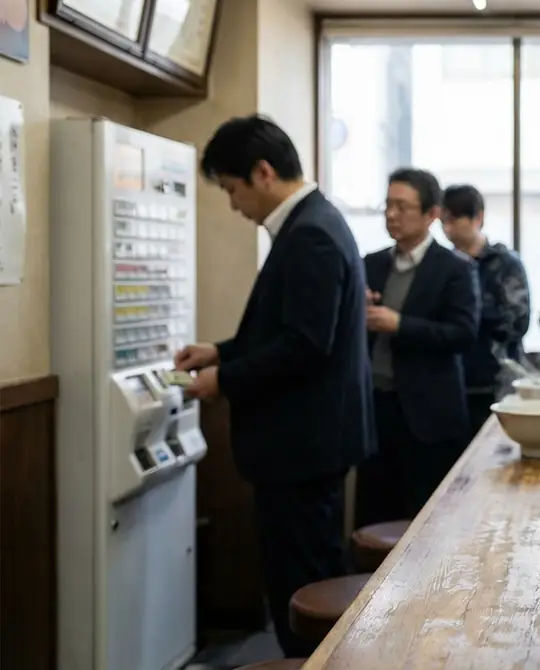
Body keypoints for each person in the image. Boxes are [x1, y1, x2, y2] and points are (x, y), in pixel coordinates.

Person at [175, 115, 373, 656]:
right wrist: (221, 351)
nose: (233, 204)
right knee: (306, 580)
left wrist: (224, 378)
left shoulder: (310, 233)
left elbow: (305, 346)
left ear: (262, 173)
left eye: (232, 189)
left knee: (302, 588)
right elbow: (286, 331)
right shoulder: (313, 222)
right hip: (309, 442)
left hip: (301, 446)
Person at [357, 169, 480, 527]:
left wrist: (400, 325)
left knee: (427, 525)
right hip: (375, 408)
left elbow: (463, 333)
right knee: (374, 517)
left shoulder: (455, 268)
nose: (391, 214)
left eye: (403, 206)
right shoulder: (372, 264)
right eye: (388, 205)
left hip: (428, 416)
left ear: (431, 214)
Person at [440, 183, 531, 435]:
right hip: (454, 383)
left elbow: (518, 322)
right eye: (444, 221)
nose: (448, 228)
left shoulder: (505, 264)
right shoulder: (443, 266)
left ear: (478, 217)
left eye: (455, 220)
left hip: (498, 380)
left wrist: (469, 316)